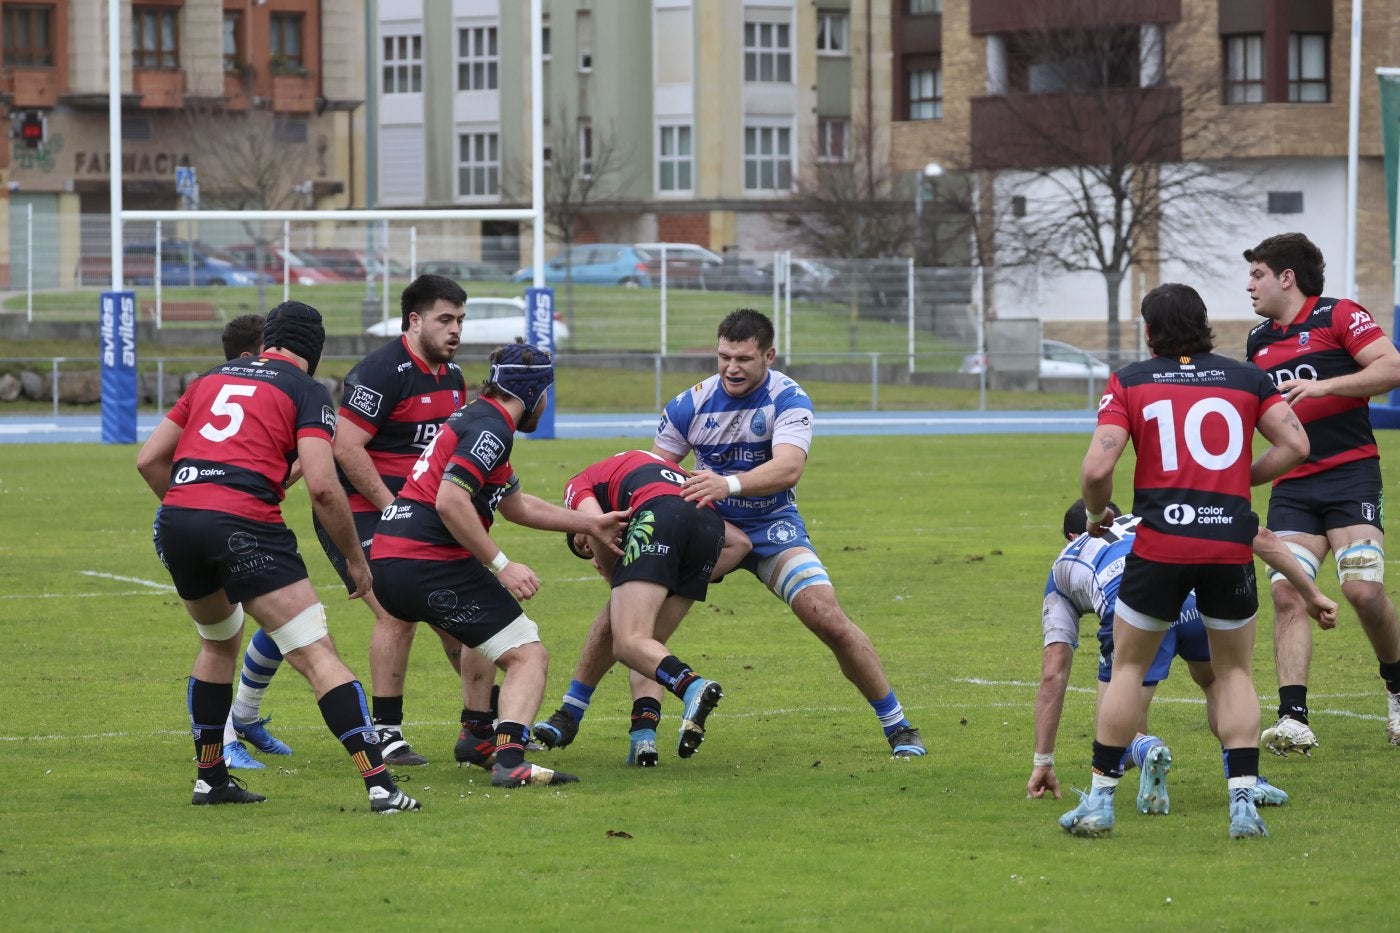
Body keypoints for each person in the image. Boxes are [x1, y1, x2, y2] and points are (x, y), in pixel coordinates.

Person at [535, 308, 926, 758]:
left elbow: (789, 467)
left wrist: (729, 483)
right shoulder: (689, 405)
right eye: (723, 357)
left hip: (771, 527)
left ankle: (898, 726)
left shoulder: (789, 398)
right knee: (628, 614)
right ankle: (573, 711)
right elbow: (657, 474)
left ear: (769, 356)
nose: (731, 368)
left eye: (743, 358)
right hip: (707, 528)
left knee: (827, 618)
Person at [136, 300, 419, 812]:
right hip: (245, 523)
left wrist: (195, 509)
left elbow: (149, 459)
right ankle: (381, 785)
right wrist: (357, 560)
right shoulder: (306, 389)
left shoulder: (209, 378)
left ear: (269, 339)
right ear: (315, 348)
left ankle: (210, 778)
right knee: (316, 653)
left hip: (179, 519)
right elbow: (325, 487)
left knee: (219, 643)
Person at [1059, 282, 1309, 840]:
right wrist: (1236, 482)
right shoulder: (1248, 377)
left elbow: (1097, 470)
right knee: (1234, 671)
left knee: (1127, 668)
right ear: (1203, 324)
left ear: (1150, 331)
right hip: (1227, 545)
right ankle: (1242, 802)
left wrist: (1098, 514)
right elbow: (1295, 444)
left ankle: (1100, 801)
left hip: (1159, 547)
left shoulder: (1131, 379)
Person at [369, 343, 631, 788]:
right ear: (532, 393)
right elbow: (449, 500)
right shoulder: (492, 429)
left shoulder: (476, 416)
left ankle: (477, 734)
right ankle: (511, 760)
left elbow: (515, 506)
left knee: (484, 635)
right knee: (530, 655)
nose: (545, 405)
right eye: (545, 394)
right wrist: (501, 563)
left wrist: (591, 522)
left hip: (391, 555)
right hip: (427, 560)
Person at [1030, 501, 1336, 811]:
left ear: (1071, 536)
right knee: (1220, 681)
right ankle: (1248, 780)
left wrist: (1043, 761)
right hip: (1191, 598)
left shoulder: (1065, 561)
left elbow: (1053, 672)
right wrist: (1311, 593)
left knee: (1116, 730)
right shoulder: (1150, 517)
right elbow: (1264, 537)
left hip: (1136, 608)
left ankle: (1146, 751)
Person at [314, 273, 500, 768]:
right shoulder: (381, 371)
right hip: (359, 513)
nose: (455, 329)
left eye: (460, 319)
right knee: (397, 610)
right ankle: (386, 732)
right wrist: (392, 508)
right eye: (445, 319)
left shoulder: (454, 377)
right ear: (414, 321)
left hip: (414, 516)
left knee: (456, 618)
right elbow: (346, 447)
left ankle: (483, 725)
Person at [1243, 232, 1400, 755]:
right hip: (1294, 484)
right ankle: (1293, 718)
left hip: (1351, 475)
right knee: (1287, 591)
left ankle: (1397, 689)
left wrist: (1324, 386)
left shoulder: (1339, 315)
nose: (1250, 285)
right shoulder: (1257, 341)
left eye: (1257, 274)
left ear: (1287, 276)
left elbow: (1391, 366)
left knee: (1362, 591)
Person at [150, 313, 294, 772]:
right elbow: (152, 458)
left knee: (289, 622)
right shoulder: (222, 391)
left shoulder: (224, 388)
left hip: (226, 524)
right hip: (203, 526)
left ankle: (245, 718)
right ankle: (225, 742)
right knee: (221, 640)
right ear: (255, 355)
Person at [561, 449, 751, 765]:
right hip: (709, 528)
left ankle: (694, 686)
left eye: (583, 544)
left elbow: (597, 524)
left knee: (628, 642)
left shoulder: (579, 484)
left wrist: (620, 576)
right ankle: (643, 738)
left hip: (661, 519)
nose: (591, 550)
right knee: (648, 648)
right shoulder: (649, 473)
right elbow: (740, 544)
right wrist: (674, 578)